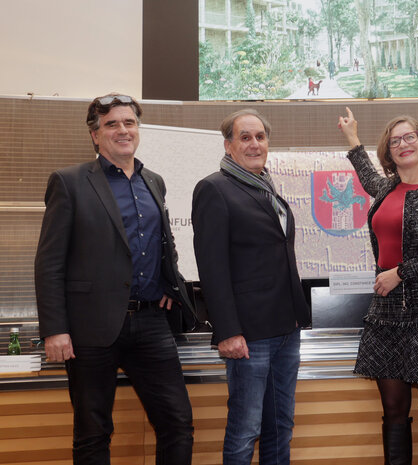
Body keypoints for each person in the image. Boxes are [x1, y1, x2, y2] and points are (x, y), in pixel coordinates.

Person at [33, 93, 196, 464]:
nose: (122, 130)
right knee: (92, 434)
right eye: (112, 124)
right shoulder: (69, 182)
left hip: (152, 322)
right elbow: (49, 261)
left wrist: (171, 285)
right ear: (95, 135)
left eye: (129, 123)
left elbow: (161, 246)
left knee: (177, 423)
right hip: (90, 328)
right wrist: (54, 329)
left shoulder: (153, 181)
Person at [337, 107, 418, 465]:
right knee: (393, 410)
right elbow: (367, 174)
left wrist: (401, 272)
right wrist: (352, 137)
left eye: (409, 137)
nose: (402, 144)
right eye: (395, 141)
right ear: (389, 150)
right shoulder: (386, 187)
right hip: (386, 315)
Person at [192, 109, 311, 465]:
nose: (255, 144)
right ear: (228, 145)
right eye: (245, 137)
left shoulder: (266, 187)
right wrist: (228, 331)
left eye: (260, 136)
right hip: (249, 336)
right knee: (245, 430)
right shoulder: (214, 188)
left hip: (286, 328)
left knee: (280, 425)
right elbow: (212, 268)